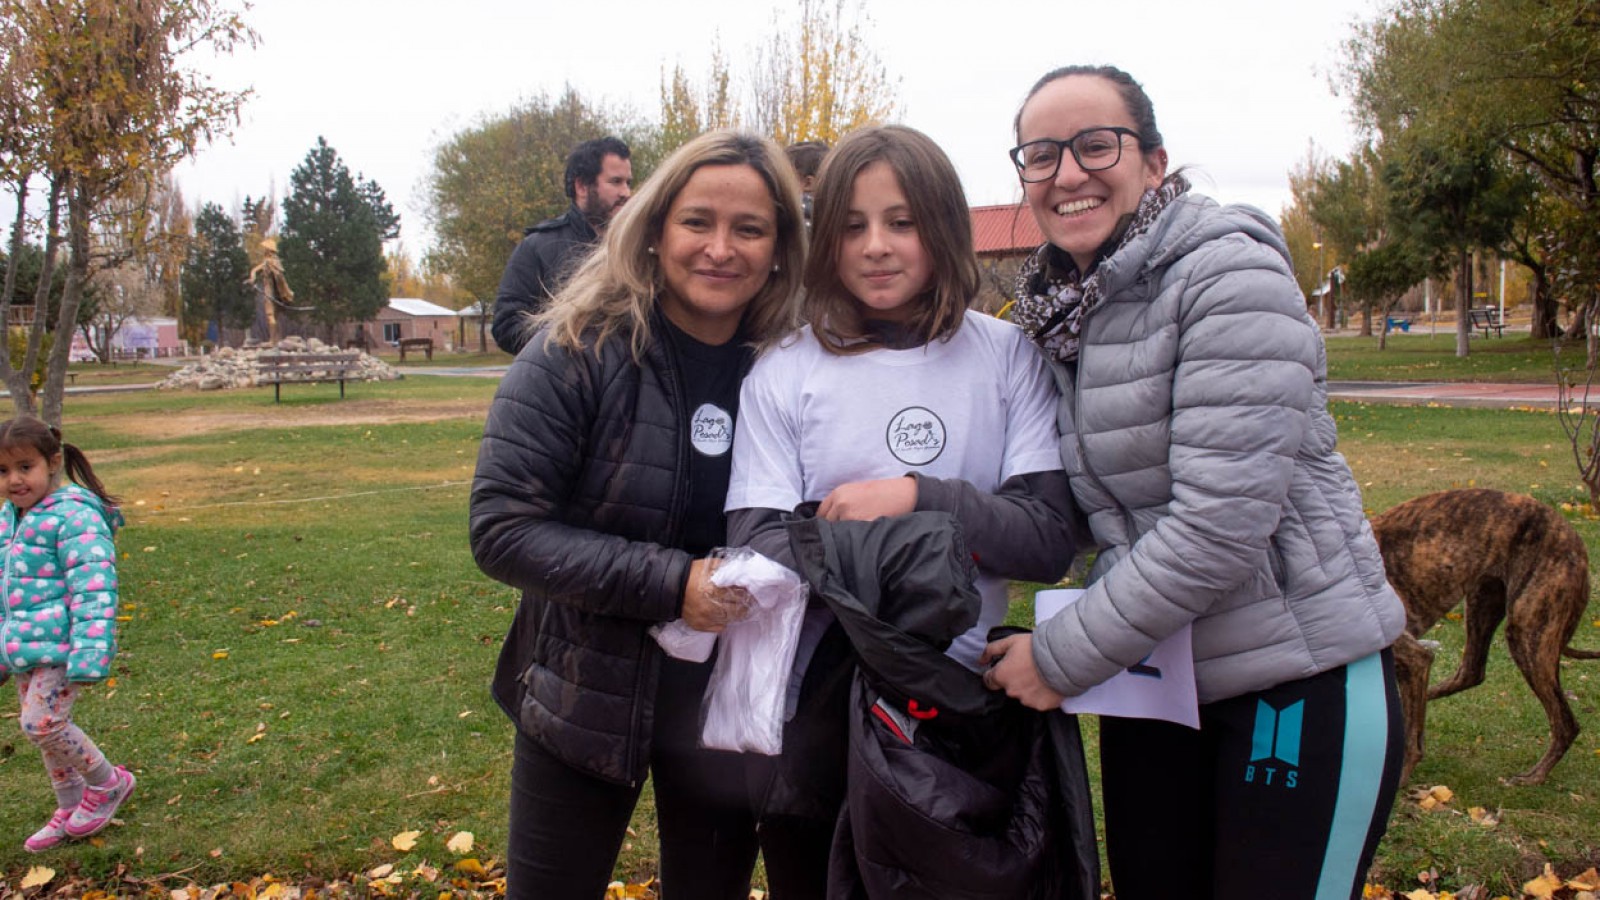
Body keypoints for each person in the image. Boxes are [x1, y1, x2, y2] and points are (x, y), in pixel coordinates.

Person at [981, 64, 1407, 900]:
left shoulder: (1225, 275)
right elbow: (1073, 509)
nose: (1068, 172)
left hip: (1296, 675)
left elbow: (1218, 527)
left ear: (1154, 160)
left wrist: (1059, 657)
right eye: (1041, 154)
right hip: (1160, 684)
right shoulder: (1069, 313)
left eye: (1095, 144)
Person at [725, 124, 1078, 896]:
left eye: (901, 221)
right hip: (815, 718)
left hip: (961, 715)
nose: (876, 245)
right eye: (851, 225)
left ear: (943, 227)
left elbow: (1048, 537)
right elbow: (760, 550)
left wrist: (913, 499)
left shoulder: (1006, 356)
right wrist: (951, 540)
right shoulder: (785, 370)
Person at [470, 130, 806, 900]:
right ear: (655, 229)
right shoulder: (575, 351)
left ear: (780, 246)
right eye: (697, 222)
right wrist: (671, 582)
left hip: (726, 708)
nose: (721, 248)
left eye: (749, 229)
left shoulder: (794, 367)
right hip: (582, 695)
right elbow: (502, 528)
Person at [0, 416, 133, 852]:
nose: (15, 480)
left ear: (53, 462)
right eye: (3, 471)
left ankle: (107, 782)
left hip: (64, 644)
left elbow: (94, 587)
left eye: (24, 467)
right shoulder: (12, 517)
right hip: (28, 645)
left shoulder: (74, 516)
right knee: (44, 733)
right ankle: (70, 805)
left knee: (42, 723)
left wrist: (91, 651)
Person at [491, 135, 634, 354]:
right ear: (582, 186)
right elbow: (507, 326)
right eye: (615, 182)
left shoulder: (639, 247)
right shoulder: (538, 247)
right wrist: (573, 337)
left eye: (628, 182)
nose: (626, 192)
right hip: (567, 382)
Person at [784, 140, 829, 230]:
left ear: (808, 183)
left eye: (785, 177)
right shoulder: (832, 215)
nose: (780, 182)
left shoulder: (790, 214)